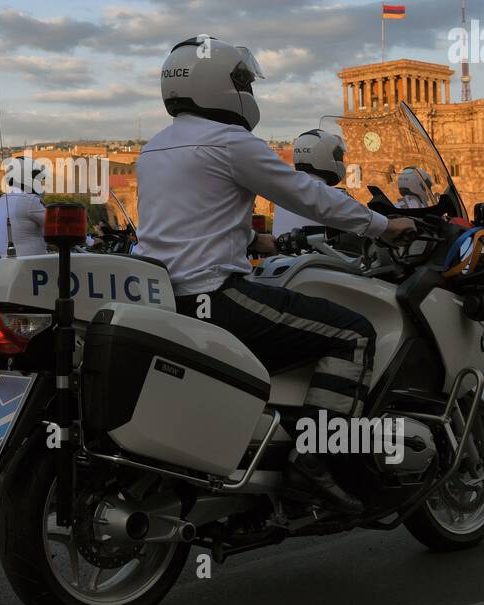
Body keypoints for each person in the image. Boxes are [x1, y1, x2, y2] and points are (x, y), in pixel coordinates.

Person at [135, 37, 414, 514]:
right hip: (214, 297)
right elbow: (307, 195)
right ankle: (314, 462)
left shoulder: (155, 148)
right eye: (242, 81)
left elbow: (189, 221)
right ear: (220, 86)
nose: (247, 89)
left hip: (163, 298)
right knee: (353, 334)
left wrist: (253, 241)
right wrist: (384, 226)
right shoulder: (231, 143)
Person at [271, 128, 348, 238]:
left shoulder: (283, 193)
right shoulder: (331, 196)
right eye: (338, 155)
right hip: (319, 254)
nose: (340, 159)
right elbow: (363, 221)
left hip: (284, 253)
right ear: (325, 156)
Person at [0, 158, 49, 256]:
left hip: (0, 263)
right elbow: (58, 226)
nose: (41, 184)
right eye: (38, 179)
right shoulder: (30, 201)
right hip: (29, 266)